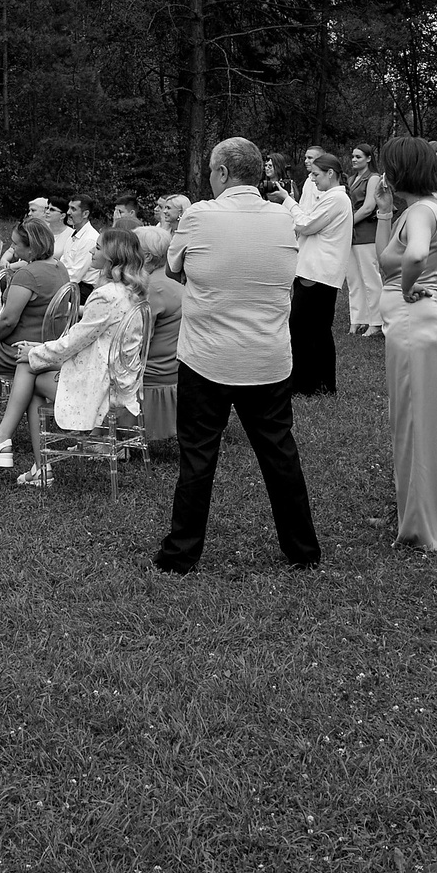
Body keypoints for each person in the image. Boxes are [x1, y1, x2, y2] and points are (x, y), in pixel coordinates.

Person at [152, 136, 322, 573]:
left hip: (207, 357)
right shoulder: (283, 217)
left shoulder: (199, 215)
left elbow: (174, 266)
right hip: (267, 356)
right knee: (279, 453)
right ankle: (303, 550)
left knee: (198, 456)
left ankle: (180, 555)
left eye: (210, 171)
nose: (208, 180)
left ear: (224, 173)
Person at [0, 228, 148, 484]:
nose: (92, 250)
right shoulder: (130, 292)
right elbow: (82, 340)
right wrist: (38, 348)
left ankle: (14, 449)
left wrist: (35, 351)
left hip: (102, 387)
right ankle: (16, 452)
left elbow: (75, 341)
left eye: (97, 248)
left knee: (28, 368)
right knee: (31, 364)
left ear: (111, 257)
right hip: (120, 380)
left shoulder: (106, 295)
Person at [376, 136, 437, 551]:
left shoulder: (423, 212)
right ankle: (424, 513)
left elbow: (414, 257)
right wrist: (384, 211)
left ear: (400, 171)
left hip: (414, 322)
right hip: (417, 325)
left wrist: (408, 288)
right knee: (415, 422)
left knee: (413, 423)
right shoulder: (424, 208)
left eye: (388, 167)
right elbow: (385, 258)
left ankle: (421, 526)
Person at [287, 146, 353, 395]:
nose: (312, 179)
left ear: (331, 173)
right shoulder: (333, 198)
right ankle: (321, 384)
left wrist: (287, 201)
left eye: (316, 175)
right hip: (318, 272)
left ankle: (307, 384)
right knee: (315, 329)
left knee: (303, 329)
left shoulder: (336, 198)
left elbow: (305, 224)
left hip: (317, 273)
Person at [0, 219, 70, 381]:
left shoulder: (28, 275)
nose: (12, 248)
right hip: (50, 346)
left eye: (15, 244)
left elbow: (8, 321)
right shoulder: (60, 267)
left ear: (31, 248)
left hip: (19, 349)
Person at [136, 225, 185, 450]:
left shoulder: (151, 288)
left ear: (145, 256)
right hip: (174, 366)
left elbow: (138, 341)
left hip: (154, 370)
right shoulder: (171, 282)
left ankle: (107, 439)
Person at [345, 143, 387, 339]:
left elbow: (369, 206)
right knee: (353, 279)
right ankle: (358, 319)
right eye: (353, 156)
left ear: (369, 158)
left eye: (358, 156)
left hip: (367, 233)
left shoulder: (374, 178)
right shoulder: (351, 178)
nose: (354, 159)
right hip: (352, 236)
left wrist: (346, 222)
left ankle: (377, 322)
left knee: (371, 278)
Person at [57, 199, 101, 301]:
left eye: (73, 209)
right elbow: (63, 263)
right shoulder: (74, 235)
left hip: (81, 292)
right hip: (68, 285)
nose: (68, 212)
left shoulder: (90, 239)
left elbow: (75, 277)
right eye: (69, 208)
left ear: (85, 214)